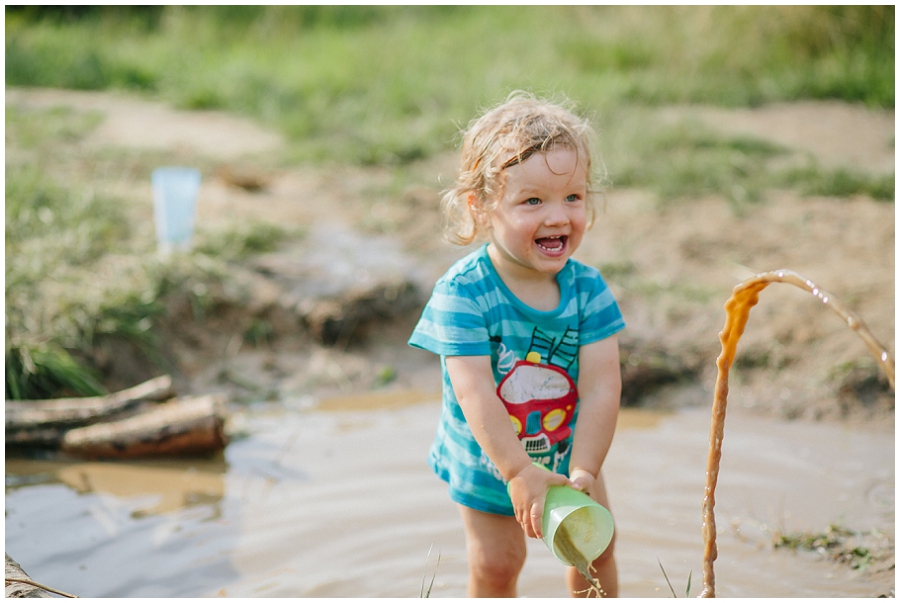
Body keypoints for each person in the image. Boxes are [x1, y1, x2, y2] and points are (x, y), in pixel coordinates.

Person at [408, 91, 625, 597]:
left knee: (595, 549)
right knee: (498, 563)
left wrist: (586, 469)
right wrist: (518, 471)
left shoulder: (587, 290)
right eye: (533, 201)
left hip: (570, 452)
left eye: (572, 197)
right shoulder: (464, 293)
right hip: (489, 459)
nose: (558, 216)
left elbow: (601, 389)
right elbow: (475, 393)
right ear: (481, 206)